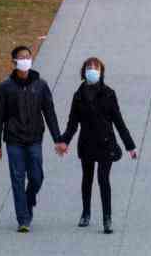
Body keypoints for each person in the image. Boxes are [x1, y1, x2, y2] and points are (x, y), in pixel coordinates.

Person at [57, 57, 137, 233]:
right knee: (87, 178)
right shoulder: (78, 96)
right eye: (89, 67)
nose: (92, 70)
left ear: (101, 72)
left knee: (103, 179)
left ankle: (107, 218)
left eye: (96, 67)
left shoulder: (109, 93)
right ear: (84, 71)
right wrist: (64, 141)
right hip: (86, 143)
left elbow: (118, 121)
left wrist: (129, 146)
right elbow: (72, 123)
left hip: (106, 143)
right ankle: (86, 213)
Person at [0, 45, 61, 233]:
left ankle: (29, 199)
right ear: (14, 62)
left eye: (28, 57)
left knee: (37, 176)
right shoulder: (5, 87)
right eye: (21, 57)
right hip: (14, 139)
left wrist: (58, 139)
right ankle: (23, 218)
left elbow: (49, 113)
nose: (25, 60)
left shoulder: (41, 85)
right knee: (17, 178)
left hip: (34, 138)